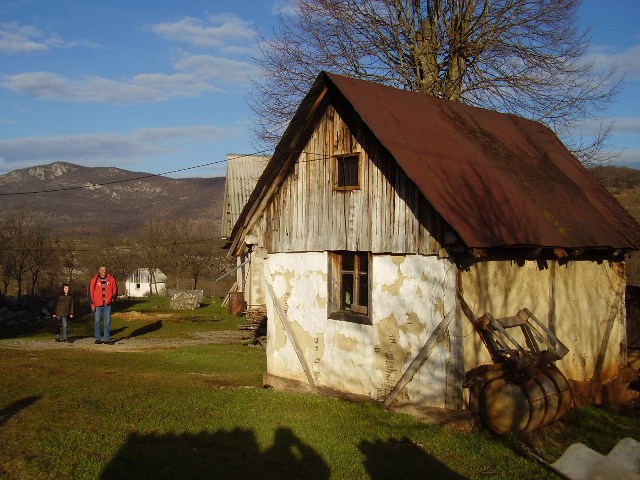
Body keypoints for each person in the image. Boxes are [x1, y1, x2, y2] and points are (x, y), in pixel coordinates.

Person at [89, 265, 118, 345]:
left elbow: (115, 290)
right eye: (102, 270)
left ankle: (106, 339)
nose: (104, 271)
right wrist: (92, 303)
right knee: (97, 321)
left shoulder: (111, 279)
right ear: (99, 271)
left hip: (107, 304)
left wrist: (112, 299)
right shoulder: (94, 280)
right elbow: (90, 292)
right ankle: (98, 338)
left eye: (105, 270)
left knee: (107, 322)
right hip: (97, 304)